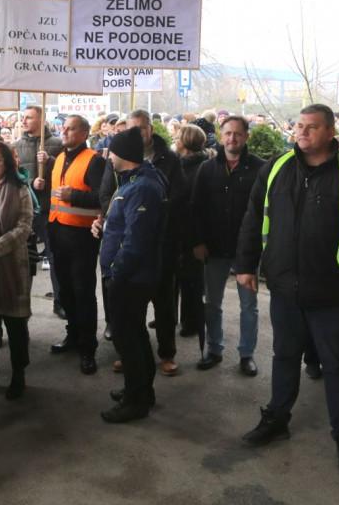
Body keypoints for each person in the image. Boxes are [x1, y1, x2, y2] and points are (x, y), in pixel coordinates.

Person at [235, 104, 339, 476]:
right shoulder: (277, 169)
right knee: (284, 355)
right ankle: (277, 419)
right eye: (299, 126)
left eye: (312, 127)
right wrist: (245, 265)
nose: (302, 132)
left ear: (331, 132)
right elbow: (254, 217)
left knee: (335, 365)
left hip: (334, 292)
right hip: (285, 286)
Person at [100, 109, 185, 374]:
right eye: (132, 128)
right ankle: (131, 360)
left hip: (153, 251)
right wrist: (109, 220)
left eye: (142, 128)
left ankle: (164, 355)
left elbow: (177, 201)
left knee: (163, 306)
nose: (139, 133)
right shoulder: (122, 170)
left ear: (151, 129)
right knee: (131, 320)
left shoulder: (165, 163)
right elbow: (109, 195)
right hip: (129, 251)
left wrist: (116, 270)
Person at [94, 128, 168, 422]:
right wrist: (103, 228)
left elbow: (136, 242)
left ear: (123, 155)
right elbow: (123, 226)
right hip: (128, 275)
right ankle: (138, 390)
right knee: (133, 335)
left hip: (130, 278)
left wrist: (115, 273)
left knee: (129, 340)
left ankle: (136, 401)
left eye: (111, 151)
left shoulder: (142, 187)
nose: (108, 156)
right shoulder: (132, 182)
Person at [190, 115, 263, 375]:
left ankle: (247, 354)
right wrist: (197, 241)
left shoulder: (258, 169)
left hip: (246, 251)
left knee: (249, 306)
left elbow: (266, 212)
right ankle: (214, 349)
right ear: (221, 136)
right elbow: (195, 209)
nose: (232, 138)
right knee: (212, 302)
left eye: (238, 134)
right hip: (213, 247)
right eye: (228, 133)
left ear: (246, 136)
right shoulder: (207, 169)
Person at [39, 114, 106, 375]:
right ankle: (73, 335)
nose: (64, 132)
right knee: (65, 291)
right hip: (57, 232)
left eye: (71, 128)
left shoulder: (94, 161)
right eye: (63, 128)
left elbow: (103, 197)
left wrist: (73, 195)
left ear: (84, 133)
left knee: (83, 293)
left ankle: (87, 348)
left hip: (81, 237)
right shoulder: (59, 159)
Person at [0, 141, 35, 400]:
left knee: (16, 327)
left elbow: (24, 226)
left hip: (13, 265)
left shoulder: (19, 189)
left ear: (7, 163)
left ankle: (19, 374)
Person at [14, 105, 65, 318]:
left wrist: (50, 165)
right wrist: (29, 182)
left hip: (49, 209)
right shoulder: (16, 145)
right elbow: (14, 175)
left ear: (41, 119)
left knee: (55, 256)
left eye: (29, 118)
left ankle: (60, 301)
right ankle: (19, 302)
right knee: (22, 258)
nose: (24, 121)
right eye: (23, 118)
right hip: (25, 209)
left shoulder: (57, 145)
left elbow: (65, 174)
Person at [174, 123, 211, 345]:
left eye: (178, 136)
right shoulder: (180, 164)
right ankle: (177, 318)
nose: (175, 140)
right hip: (178, 232)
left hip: (192, 235)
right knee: (177, 279)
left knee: (192, 282)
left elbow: (196, 207)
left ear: (186, 142)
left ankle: (192, 322)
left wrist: (198, 240)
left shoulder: (199, 169)